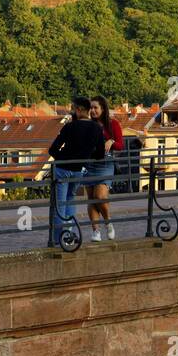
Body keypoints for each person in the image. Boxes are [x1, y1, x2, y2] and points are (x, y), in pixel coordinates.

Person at [46, 97, 106, 246]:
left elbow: (52, 149)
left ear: (79, 110)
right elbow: (100, 155)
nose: (73, 111)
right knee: (71, 199)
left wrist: (63, 159)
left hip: (62, 169)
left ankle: (58, 238)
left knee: (60, 204)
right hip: (79, 170)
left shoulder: (70, 127)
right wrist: (83, 156)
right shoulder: (97, 129)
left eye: (74, 109)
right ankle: (69, 233)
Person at [85, 95, 122, 242]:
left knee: (100, 196)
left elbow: (121, 145)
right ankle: (96, 232)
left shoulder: (112, 124)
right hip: (89, 164)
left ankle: (108, 222)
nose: (93, 111)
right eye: (91, 108)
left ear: (103, 108)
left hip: (105, 164)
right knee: (91, 200)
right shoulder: (88, 125)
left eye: (95, 108)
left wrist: (111, 141)